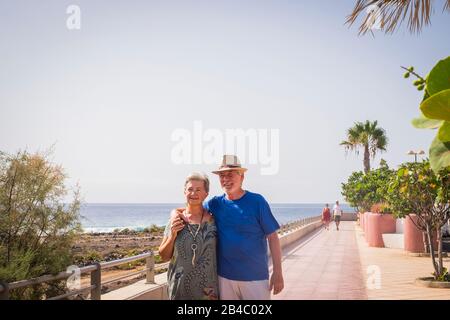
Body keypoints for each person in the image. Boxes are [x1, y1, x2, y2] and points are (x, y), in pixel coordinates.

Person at [175, 155, 284, 300]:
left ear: (242, 176)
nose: (226, 179)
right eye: (222, 175)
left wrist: (278, 272)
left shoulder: (257, 201)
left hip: (255, 278)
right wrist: (173, 214)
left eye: (230, 174)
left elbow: (273, 237)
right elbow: (192, 209)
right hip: (224, 279)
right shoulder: (215, 204)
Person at [158, 172, 218, 300]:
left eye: (198, 189)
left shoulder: (214, 222)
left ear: (206, 194)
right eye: (190, 189)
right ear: (184, 192)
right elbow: (163, 256)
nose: (193, 193)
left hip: (207, 292)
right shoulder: (175, 221)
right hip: (178, 290)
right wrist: (173, 235)